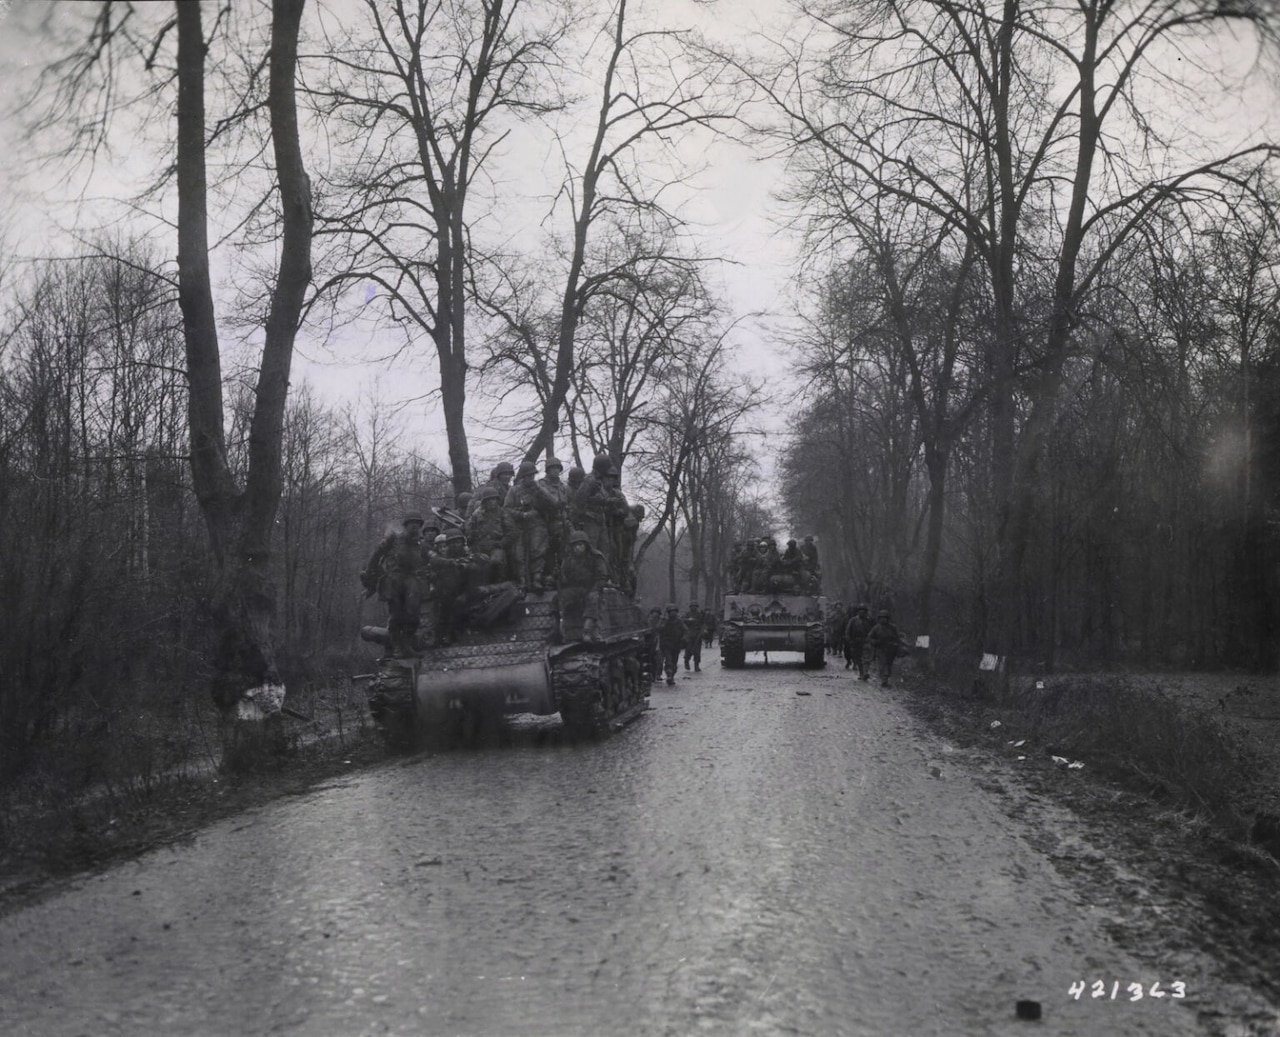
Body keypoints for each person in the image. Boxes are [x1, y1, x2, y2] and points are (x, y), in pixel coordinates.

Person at [360, 512, 430, 655]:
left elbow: (429, 562)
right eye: (412, 525)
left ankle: (407, 642)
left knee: (413, 614)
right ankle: (397, 644)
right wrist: (370, 580)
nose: (415, 528)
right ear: (406, 526)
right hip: (393, 580)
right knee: (396, 615)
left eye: (418, 525)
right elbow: (375, 557)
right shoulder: (393, 539)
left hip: (411, 581)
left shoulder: (420, 545)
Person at [503, 460, 551, 591]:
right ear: (522, 477)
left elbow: (551, 502)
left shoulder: (539, 488)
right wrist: (522, 515)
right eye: (527, 476)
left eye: (532, 476)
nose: (530, 478)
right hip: (519, 525)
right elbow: (506, 509)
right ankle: (522, 579)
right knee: (518, 554)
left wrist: (539, 490)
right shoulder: (514, 491)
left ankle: (537, 577)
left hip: (536, 523)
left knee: (538, 548)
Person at [560, 529, 610, 640]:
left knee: (593, 599)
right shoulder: (568, 559)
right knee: (558, 598)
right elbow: (564, 577)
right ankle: (559, 628)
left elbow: (602, 577)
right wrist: (559, 577)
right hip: (575, 588)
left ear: (586, 545)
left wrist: (595, 589)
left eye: (580, 545)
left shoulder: (595, 557)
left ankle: (588, 630)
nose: (578, 548)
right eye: (575, 545)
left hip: (591, 587)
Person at [536, 457, 571, 587]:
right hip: (547, 522)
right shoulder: (542, 484)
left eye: (557, 468)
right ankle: (548, 577)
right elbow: (541, 501)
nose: (555, 471)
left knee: (564, 550)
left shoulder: (562, 486)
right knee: (548, 551)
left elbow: (567, 502)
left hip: (562, 522)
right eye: (552, 468)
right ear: (548, 470)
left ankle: (562, 576)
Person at [464, 485, 506, 582]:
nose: (492, 502)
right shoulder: (476, 515)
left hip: (497, 546)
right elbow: (469, 530)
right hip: (480, 547)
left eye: (494, 499)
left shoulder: (503, 513)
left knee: (496, 561)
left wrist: (502, 543)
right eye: (489, 500)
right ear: (484, 502)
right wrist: (471, 536)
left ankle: (500, 582)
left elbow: (511, 531)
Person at [868, 608, 905, 687]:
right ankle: (884, 679)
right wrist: (876, 642)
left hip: (891, 649)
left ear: (887, 619)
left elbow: (897, 638)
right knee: (882, 664)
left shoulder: (892, 627)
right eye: (881, 618)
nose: (883, 620)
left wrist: (899, 646)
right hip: (880, 649)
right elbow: (870, 637)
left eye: (885, 618)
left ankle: (886, 678)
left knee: (889, 664)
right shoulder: (876, 628)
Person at [658, 604, 687, 686]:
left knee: (674, 661)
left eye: (674, 612)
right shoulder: (664, 621)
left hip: (676, 644)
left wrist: (684, 638)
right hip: (666, 644)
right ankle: (669, 676)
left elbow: (685, 631)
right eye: (671, 612)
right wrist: (662, 623)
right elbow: (658, 629)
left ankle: (672, 676)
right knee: (668, 660)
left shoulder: (679, 621)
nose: (672, 614)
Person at [844, 603, 874, 679]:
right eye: (860, 611)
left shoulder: (870, 620)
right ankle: (861, 672)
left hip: (866, 641)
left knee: (866, 658)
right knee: (858, 658)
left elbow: (874, 630)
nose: (862, 612)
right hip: (855, 642)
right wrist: (849, 640)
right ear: (857, 612)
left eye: (863, 611)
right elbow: (848, 631)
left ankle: (865, 672)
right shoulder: (853, 620)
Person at [683, 603, 704, 672]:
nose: (693, 608)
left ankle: (696, 665)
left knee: (697, 651)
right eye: (692, 606)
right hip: (689, 634)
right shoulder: (687, 614)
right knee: (688, 650)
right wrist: (688, 620)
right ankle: (686, 662)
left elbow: (703, 623)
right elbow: (682, 621)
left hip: (697, 634)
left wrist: (701, 633)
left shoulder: (700, 615)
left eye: (695, 606)